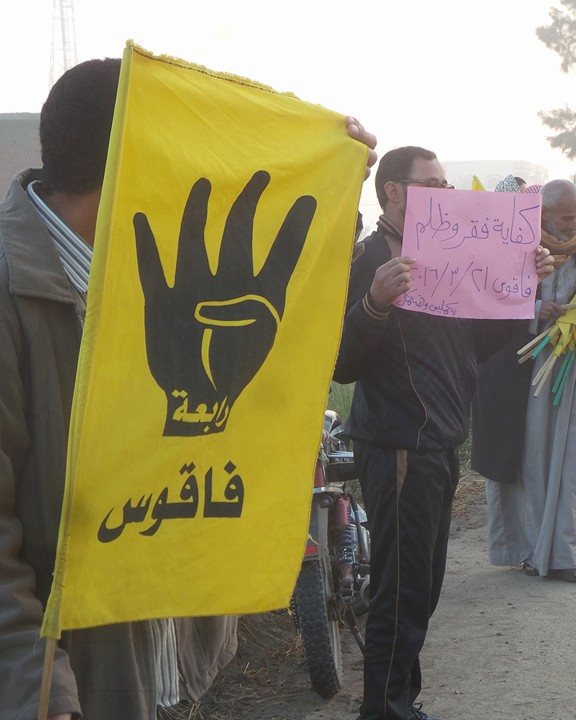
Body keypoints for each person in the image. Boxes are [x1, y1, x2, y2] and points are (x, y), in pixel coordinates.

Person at [0, 58, 379, 720]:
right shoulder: (17, 291)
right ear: (137, 158)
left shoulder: (147, 260)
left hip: (168, 668)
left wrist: (333, 185)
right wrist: (42, 687)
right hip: (73, 683)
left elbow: (281, 301)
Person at [333, 146, 553, 720]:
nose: (446, 194)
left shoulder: (448, 253)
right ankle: (384, 710)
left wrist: (522, 283)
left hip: (440, 442)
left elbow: (478, 344)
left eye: (446, 184)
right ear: (394, 191)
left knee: (423, 588)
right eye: (432, 183)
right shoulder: (369, 259)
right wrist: (375, 303)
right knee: (400, 590)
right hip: (397, 445)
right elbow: (340, 363)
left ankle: (400, 699)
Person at [472, 179, 576, 585]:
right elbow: (485, 296)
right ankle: (528, 550)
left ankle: (564, 551)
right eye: (566, 217)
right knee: (527, 459)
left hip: (569, 366)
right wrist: (533, 309)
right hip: (519, 370)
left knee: (565, 456)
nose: (574, 223)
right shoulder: (512, 241)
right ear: (543, 214)